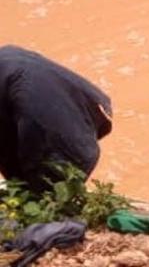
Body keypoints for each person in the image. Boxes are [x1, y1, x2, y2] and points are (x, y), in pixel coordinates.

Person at [0, 45, 113, 191]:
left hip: (54, 127)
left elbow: (32, 157)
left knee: (42, 188)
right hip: (77, 108)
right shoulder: (8, 55)